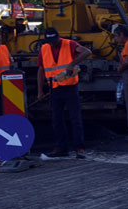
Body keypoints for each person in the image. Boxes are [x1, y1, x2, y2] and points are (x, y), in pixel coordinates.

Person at [37, 27, 92, 159]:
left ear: (58, 37)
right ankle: (62, 148)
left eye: (54, 40)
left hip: (70, 87)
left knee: (75, 118)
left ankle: (79, 148)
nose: (53, 43)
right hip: (54, 88)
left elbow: (86, 52)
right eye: (50, 41)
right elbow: (41, 70)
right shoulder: (44, 49)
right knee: (57, 120)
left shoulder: (69, 44)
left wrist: (72, 64)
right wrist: (40, 91)